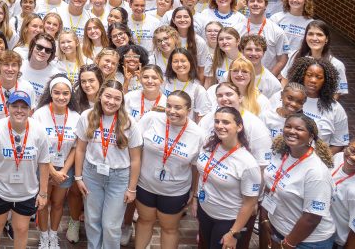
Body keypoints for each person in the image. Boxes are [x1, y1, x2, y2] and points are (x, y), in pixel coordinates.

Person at [74, 79, 143, 249]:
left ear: (122, 101)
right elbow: (80, 149)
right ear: (99, 96)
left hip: (118, 178)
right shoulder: (87, 116)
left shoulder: (129, 123)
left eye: (117, 99)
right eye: (108, 96)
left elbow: (135, 159)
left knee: (111, 225)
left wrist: (132, 188)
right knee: (92, 220)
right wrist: (78, 177)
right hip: (92, 175)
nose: (111, 102)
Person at [0, 89, 52, 249]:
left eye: (24, 107)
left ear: (30, 110)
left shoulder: (39, 131)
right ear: (8, 107)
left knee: (21, 228)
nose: (19, 110)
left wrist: (43, 193)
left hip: (26, 192)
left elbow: (44, 163)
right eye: (15, 106)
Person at [133, 91, 202, 249]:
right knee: (144, 221)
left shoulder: (197, 134)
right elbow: (135, 146)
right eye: (169, 106)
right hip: (145, 184)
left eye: (178, 107)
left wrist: (194, 192)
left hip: (174, 191)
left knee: (169, 228)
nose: (172, 111)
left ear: (188, 110)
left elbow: (196, 168)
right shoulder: (152, 119)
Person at [261, 112, 336, 249]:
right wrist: (265, 217)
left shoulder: (316, 172)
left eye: (299, 129)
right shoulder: (280, 153)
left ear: (311, 137)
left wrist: (288, 243)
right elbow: (271, 185)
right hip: (279, 230)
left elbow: (312, 218)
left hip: (306, 242)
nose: (292, 131)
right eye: (288, 126)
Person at [193, 106, 261, 249]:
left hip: (227, 220)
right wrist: (195, 198)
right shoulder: (209, 145)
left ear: (239, 126)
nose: (219, 126)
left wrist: (234, 233)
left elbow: (249, 203)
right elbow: (201, 172)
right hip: (204, 211)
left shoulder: (248, 164)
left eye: (226, 122)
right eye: (217, 121)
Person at [35, 74, 83, 249]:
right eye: (57, 93)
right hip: (43, 167)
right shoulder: (40, 114)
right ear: (50, 93)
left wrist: (62, 171)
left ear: (71, 95)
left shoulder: (76, 117)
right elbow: (37, 146)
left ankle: (53, 236)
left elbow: (75, 148)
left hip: (65, 169)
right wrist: (52, 171)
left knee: (57, 204)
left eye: (65, 93)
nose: (61, 97)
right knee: (43, 203)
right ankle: (43, 236)